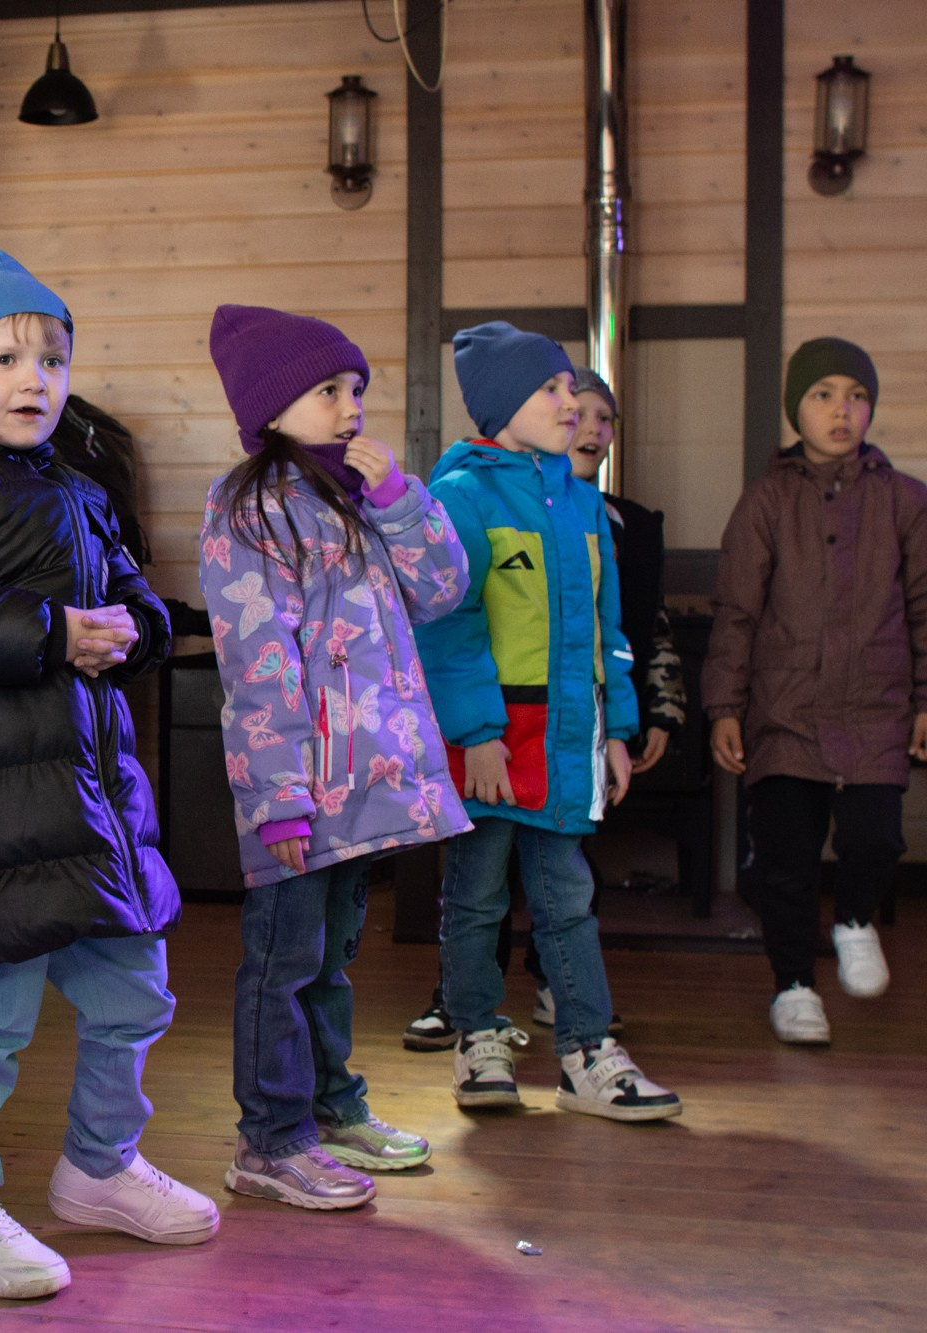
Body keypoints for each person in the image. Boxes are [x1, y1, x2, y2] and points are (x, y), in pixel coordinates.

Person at [0, 249, 217, 1301]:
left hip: (101, 800)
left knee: (134, 992)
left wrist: (137, 629)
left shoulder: (77, 483)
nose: (34, 378)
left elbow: (135, 591)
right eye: (4, 355)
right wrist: (46, 632)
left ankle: (99, 1164)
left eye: (52, 358)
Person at [199, 306, 471, 1209]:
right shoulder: (249, 508)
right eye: (329, 390)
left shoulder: (357, 498)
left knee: (329, 959)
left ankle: (329, 1105)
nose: (351, 406)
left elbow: (441, 592)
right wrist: (277, 797)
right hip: (300, 796)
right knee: (282, 964)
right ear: (274, 408)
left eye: (356, 388)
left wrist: (402, 500)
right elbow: (255, 658)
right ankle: (269, 1140)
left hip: (366, 789)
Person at [415, 321, 681, 1121]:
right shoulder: (460, 497)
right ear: (502, 406)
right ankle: (476, 1035)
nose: (574, 403)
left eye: (573, 388)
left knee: (567, 895)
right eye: (553, 389)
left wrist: (619, 732)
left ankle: (587, 1050)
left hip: (568, 742)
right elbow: (446, 624)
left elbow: (611, 633)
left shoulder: (584, 505)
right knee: (477, 897)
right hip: (495, 744)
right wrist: (477, 733)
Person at [703, 337, 927, 1045]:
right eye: (824, 394)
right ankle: (794, 985)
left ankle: (856, 920)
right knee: (786, 859)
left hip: (876, 705)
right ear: (797, 409)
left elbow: (924, 605)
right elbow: (737, 610)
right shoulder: (766, 501)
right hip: (784, 709)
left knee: (876, 838)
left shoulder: (907, 503)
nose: (842, 410)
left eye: (856, 396)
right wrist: (724, 707)